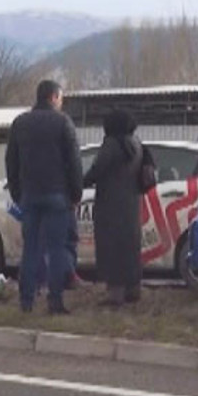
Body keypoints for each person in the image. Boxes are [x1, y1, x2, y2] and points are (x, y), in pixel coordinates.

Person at [6, 80, 83, 314]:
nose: (61, 103)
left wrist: (17, 193)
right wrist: (76, 193)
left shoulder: (20, 123)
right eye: (61, 99)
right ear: (53, 97)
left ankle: (26, 300)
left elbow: (11, 161)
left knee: (30, 249)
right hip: (58, 194)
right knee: (56, 249)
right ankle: (55, 300)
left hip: (30, 194)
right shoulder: (63, 122)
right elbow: (74, 161)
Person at [83, 110, 143, 306]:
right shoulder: (136, 143)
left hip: (110, 204)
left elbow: (97, 170)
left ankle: (115, 294)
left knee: (111, 247)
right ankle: (133, 289)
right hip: (132, 203)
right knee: (130, 247)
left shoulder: (111, 145)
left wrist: (79, 183)